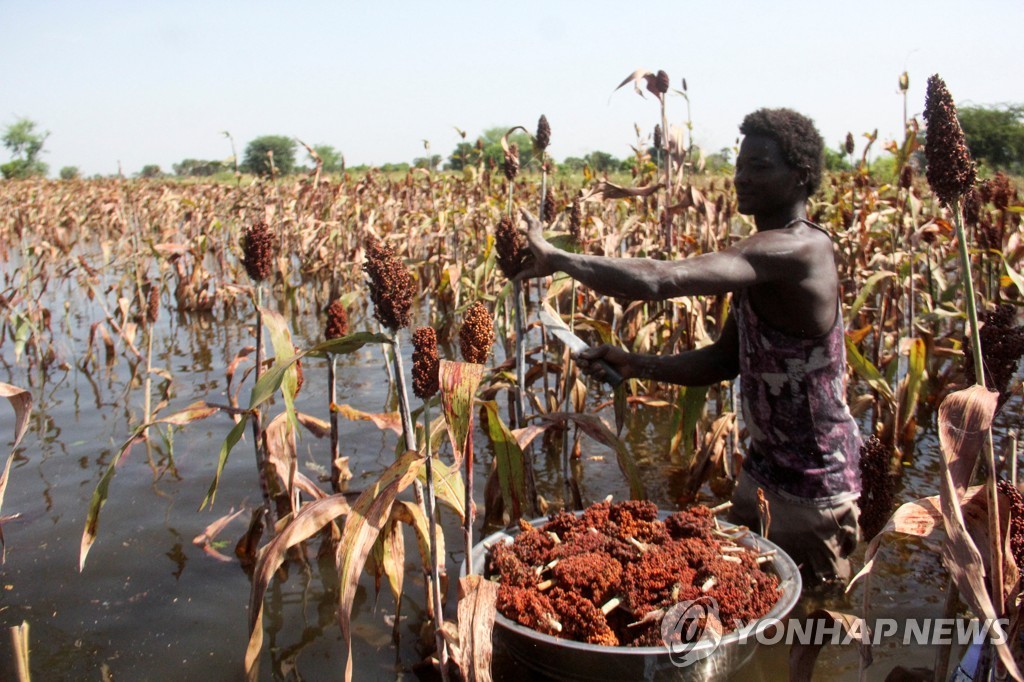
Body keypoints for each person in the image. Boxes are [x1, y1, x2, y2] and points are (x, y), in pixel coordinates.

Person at [516, 108, 863, 588]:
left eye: (759, 167)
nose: (741, 177)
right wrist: (634, 363)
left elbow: (663, 279)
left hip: (814, 488)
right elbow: (724, 360)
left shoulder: (797, 251)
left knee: (813, 626)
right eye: (740, 164)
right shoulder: (761, 255)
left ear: (800, 176)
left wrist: (559, 259)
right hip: (762, 474)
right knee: (751, 612)